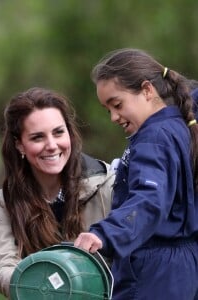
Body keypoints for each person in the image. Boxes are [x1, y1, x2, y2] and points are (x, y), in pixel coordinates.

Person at [74, 48, 198, 299]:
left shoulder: (153, 139)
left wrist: (105, 233)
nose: (113, 117)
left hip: (155, 272)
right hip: (182, 268)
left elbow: (149, 200)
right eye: (107, 109)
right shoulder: (179, 128)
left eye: (117, 104)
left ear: (147, 90)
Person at [0, 87, 115, 298]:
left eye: (58, 132)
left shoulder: (108, 185)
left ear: (69, 133)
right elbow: (3, 271)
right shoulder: (4, 203)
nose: (52, 145)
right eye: (38, 137)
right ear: (20, 145)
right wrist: (43, 282)